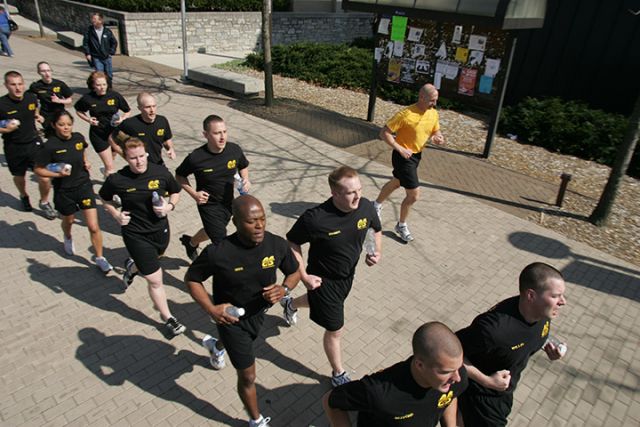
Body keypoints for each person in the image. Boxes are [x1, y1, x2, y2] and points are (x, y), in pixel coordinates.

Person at [185, 195, 300, 427]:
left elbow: (294, 271)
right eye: (251, 221)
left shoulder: (276, 244)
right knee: (248, 376)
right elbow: (192, 279)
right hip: (231, 320)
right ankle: (256, 420)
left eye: (262, 219)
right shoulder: (218, 252)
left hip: (258, 315)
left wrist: (284, 289)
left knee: (241, 345)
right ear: (236, 222)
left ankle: (216, 346)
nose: (259, 226)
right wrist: (211, 309)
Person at [283, 166, 382, 387]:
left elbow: (373, 229)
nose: (357, 196)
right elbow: (291, 242)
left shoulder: (366, 207)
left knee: (321, 304)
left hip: (347, 276)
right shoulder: (315, 218)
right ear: (335, 194)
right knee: (335, 329)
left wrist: (375, 251)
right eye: (351, 192)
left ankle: (290, 305)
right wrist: (304, 276)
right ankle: (338, 374)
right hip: (322, 280)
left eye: (359, 189)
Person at [456, 262, 568, 427]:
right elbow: (447, 353)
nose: (563, 302)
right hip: (483, 396)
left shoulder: (542, 313)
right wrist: (487, 381)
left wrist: (548, 345)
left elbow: (529, 335)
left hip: (505, 392)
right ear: (531, 295)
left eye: (562, 295)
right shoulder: (494, 329)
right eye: (555, 296)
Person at [99, 133, 186, 337]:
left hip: (160, 230)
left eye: (141, 156)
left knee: (155, 258)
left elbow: (175, 191)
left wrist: (169, 206)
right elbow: (104, 198)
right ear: (126, 158)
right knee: (155, 279)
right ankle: (168, 318)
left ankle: (132, 268)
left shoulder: (160, 172)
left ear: (146, 154)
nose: (138, 162)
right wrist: (116, 214)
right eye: (133, 158)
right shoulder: (118, 179)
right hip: (135, 234)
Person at [323, 322, 468, 427]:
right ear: (420, 365)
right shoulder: (379, 392)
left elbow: (451, 396)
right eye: (446, 372)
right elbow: (330, 401)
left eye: (458, 367)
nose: (457, 377)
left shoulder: (455, 377)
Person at [33, 110, 113, 272]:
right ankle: (68, 237)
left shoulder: (78, 138)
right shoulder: (49, 146)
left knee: (93, 226)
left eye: (69, 124)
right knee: (68, 221)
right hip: (64, 191)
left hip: (84, 186)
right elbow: (38, 169)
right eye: (61, 125)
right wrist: (57, 174)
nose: (66, 128)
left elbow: (82, 149)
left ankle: (100, 258)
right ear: (54, 125)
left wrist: (85, 161)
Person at [373, 83, 445, 243]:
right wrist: (399, 148)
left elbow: (435, 129)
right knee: (413, 195)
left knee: (396, 182)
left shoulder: (433, 113)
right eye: (432, 100)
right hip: (402, 157)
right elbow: (384, 133)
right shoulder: (405, 114)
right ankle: (401, 225)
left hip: (416, 156)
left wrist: (437, 136)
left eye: (436, 100)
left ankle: (376, 205)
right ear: (421, 97)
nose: (434, 103)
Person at [175, 115, 250, 260]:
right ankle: (205, 269)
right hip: (208, 205)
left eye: (224, 132)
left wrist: (246, 179)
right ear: (206, 135)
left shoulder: (234, 150)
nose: (222, 137)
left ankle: (191, 243)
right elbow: (179, 175)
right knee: (221, 241)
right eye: (217, 133)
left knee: (212, 230)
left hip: (227, 202)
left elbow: (243, 166)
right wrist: (194, 194)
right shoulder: (196, 157)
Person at [0, 71, 55, 218]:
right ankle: (24, 195)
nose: (18, 88)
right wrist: (5, 129)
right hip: (13, 146)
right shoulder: (2, 104)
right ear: (6, 85)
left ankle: (44, 202)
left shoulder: (31, 98)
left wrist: (37, 115)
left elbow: (35, 107)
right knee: (19, 176)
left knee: (45, 177)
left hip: (34, 143)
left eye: (20, 84)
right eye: (13, 84)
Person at [74, 71, 131, 176]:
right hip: (98, 134)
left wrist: (122, 118)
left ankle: (106, 171)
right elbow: (78, 110)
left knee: (114, 158)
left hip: (114, 132)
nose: (102, 87)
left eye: (104, 84)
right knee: (111, 168)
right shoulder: (88, 98)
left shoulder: (114, 96)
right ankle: (109, 179)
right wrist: (88, 119)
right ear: (93, 85)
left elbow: (127, 111)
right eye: (98, 85)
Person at [109, 92, 176, 165]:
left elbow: (166, 139)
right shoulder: (130, 123)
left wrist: (170, 149)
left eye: (154, 106)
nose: (152, 110)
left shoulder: (162, 121)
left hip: (158, 163)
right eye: (148, 107)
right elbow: (111, 138)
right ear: (139, 108)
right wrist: (124, 154)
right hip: (138, 165)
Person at [29, 62, 73, 136]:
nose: (47, 74)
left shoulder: (59, 84)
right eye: (43, 71)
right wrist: (37, 114)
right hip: (45, 115)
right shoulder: (35, 86)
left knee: (63, 134)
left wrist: (59, 101)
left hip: (60, 114)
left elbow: (69, 100)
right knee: (51, 135)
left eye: (48, 70)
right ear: (39, 72)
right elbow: (32, 101)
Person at [82, 12, 118, 81]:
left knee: (109, 74)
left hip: (107, 56)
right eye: (92, 19)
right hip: (96, 57)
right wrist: (88, 53)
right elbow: (85, 43)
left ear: (100, 20)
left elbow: (114, 42)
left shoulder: (107, 31)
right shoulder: (89, 31)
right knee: (100, 74)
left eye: (95, 19)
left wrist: (111, 52)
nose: (93, 20)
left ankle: (108, 86)